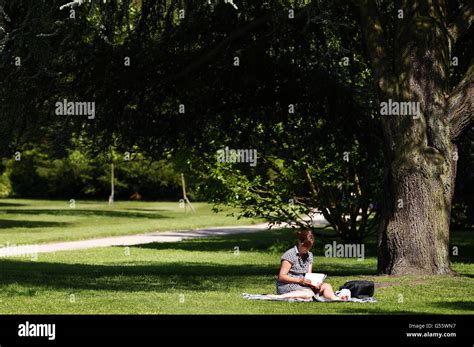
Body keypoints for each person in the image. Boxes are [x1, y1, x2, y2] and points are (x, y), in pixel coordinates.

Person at [269, 229, 348, 301]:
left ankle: (335, 299)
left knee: (326, 286)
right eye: (305, 246)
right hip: (288, 285)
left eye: (309, 247)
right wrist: (300, 280)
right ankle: (280, 296)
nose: (307, 249)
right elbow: (282, 277)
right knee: (308, 293)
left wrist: (315, 283)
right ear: (300, 242)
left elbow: (309, 275)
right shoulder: (289, 255)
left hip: (303, 285)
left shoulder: (309, 255)